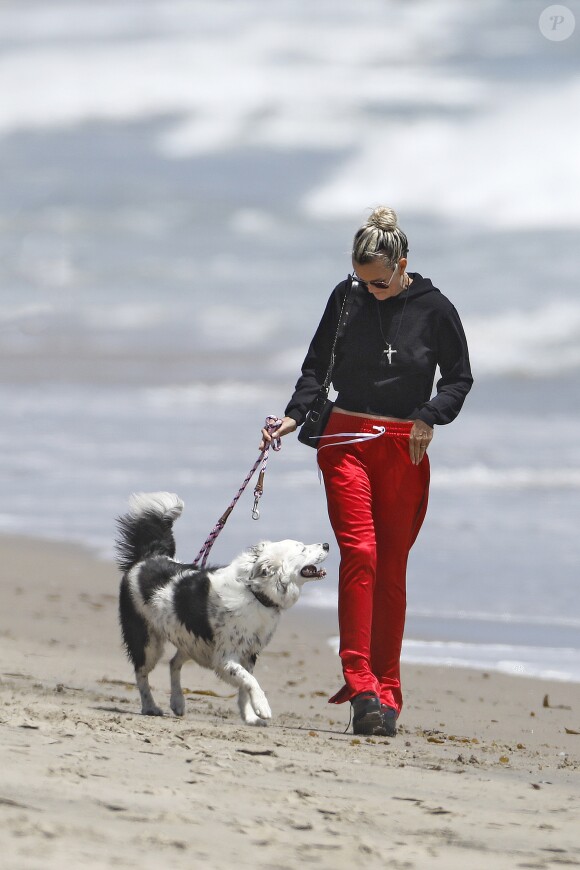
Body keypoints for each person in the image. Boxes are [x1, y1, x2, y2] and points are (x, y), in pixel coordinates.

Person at [261, 206, 473, 737]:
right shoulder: (346, 297)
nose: (369, 290)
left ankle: (388, 688)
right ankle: (360, 684)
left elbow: (458, 379)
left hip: (404, 448)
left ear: (403, 264)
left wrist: (430, 416)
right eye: (362, 280)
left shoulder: (435, 308)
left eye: (379, 282)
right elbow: (316, 366)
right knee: (361, 553)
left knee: (392, 571)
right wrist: (292, 415)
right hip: (345, 440)